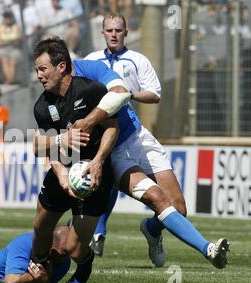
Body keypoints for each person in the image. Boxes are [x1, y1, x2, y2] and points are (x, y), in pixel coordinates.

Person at [72, 14, 230, 269]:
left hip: (138, 136)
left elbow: (154, 94)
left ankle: (151, 229)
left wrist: (125, 94)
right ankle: (99, 233)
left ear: (126, 32)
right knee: (116, 183)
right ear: (102, 33)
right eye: (109, 30)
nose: (114, 34)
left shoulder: (137, 60)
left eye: (119, 30)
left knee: (178, 207)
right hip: (115, 142)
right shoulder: (91, 61)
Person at [31, 37, 122, 283]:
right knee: (40, 226)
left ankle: (84, 267)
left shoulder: (91, 91)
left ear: (61, 67)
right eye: (37, 69)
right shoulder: (42, 106)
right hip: (62, 170)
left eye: (42, 68)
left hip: (93, 174)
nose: (39, 75)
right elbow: (38, 147)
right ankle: (37, 272)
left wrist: (98, 162)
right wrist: (60, 171)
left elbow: (111, 128)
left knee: (75, 248)